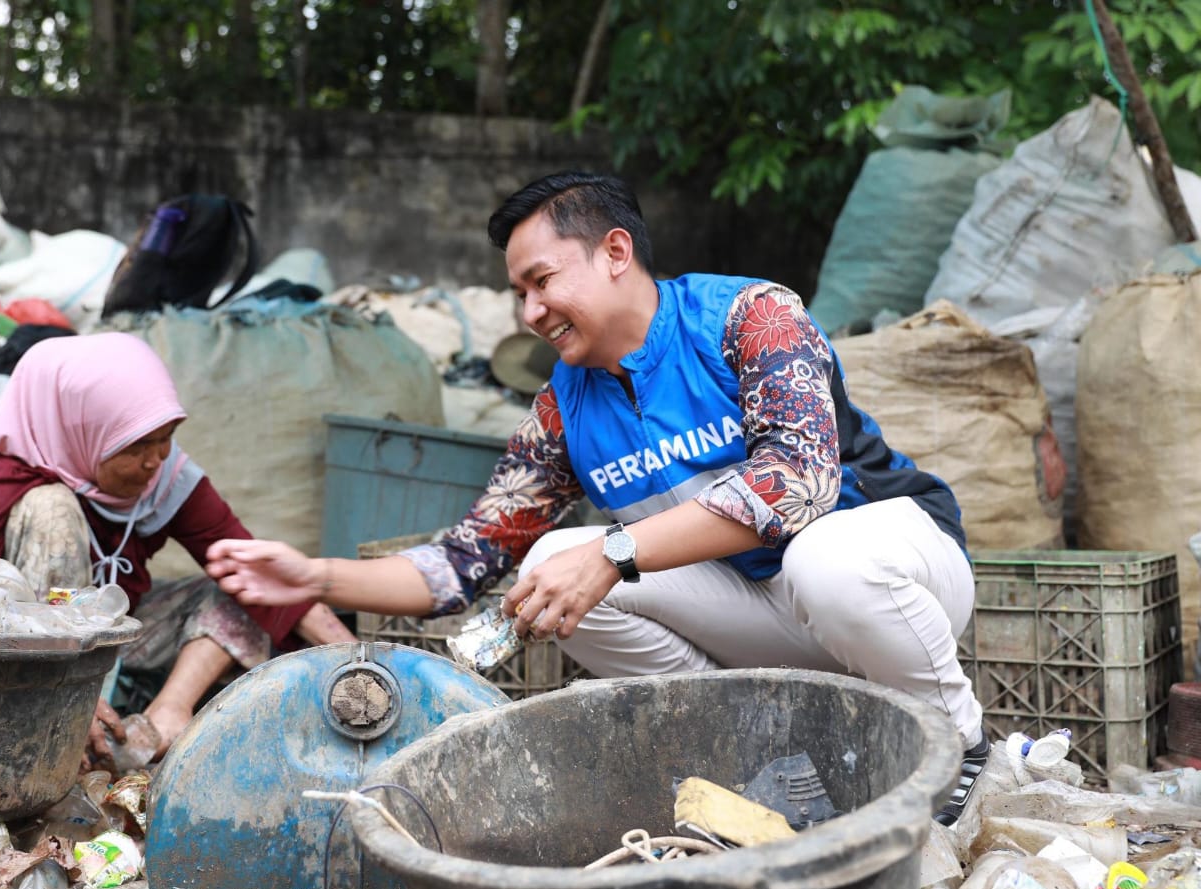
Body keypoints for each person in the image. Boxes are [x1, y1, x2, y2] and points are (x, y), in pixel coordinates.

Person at [207, 171, 989, 826]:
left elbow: (800, 482)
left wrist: (615, 550)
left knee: (821, 559)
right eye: (518, 293)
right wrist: (315, 578)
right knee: (550, 560)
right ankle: (760, 757)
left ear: (615, 252)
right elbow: (462, 562)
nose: (530, 313)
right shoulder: (564, 408)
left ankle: (959, 750)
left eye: (541, 281)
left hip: (886, 572)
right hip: (764, 612)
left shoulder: (749, 316)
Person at [0, 332, 355, 766]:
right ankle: (58, 711)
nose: (155, 461)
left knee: (240, 577)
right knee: (51, 507)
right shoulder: (4, 481)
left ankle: (168, 716)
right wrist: (58, 681)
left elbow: (249, 563)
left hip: (124, 630)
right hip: (24, 655)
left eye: (164, 438)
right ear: (81, 433)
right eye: (135, 446)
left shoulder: (164, 477)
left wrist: (359, 664)